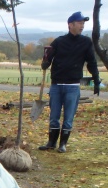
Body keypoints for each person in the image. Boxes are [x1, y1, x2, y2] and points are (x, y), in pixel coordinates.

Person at [39, 11, 100, 153]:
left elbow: (92, 62)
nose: (82, 26)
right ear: (70, 25)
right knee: (54, 116)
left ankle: (63, 144)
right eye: (80, 23)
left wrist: (96, 80)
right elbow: (47, 62)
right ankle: (51, 142)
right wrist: (45, 61)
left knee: (68, 117)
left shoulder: (86, 43)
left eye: (83, 24)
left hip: (73, 86)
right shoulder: (59, 42)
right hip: (56, 85)